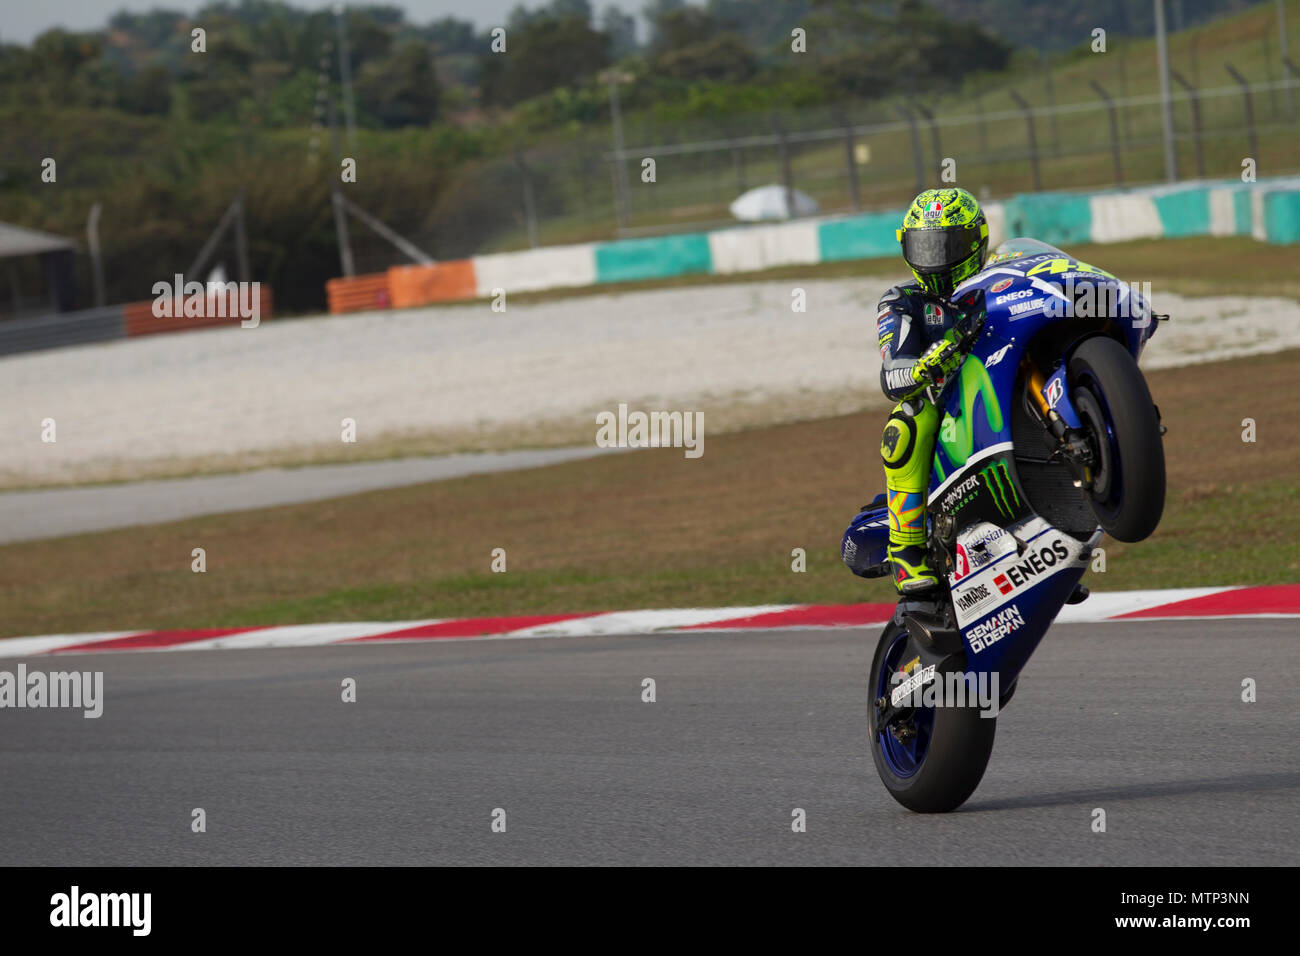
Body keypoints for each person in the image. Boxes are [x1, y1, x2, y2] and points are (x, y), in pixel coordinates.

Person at [876, 187, 989, 594]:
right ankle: (905, 551)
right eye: (925, 246)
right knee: (905, 421)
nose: (935, 259)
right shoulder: (902, 300)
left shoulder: (994, 285)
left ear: (976, 242)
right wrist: (929, 364)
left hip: (994, 395)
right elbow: (892, 376)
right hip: (946, 413)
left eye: (947, 246)